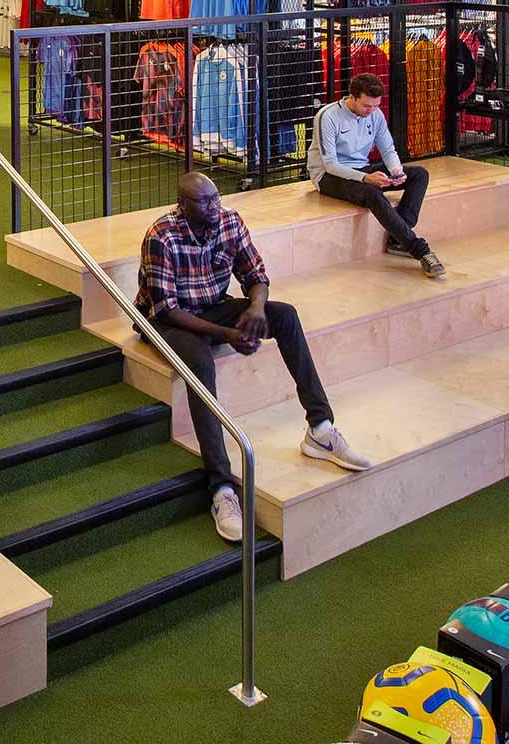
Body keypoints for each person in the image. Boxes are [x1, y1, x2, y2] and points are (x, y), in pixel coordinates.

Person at [136, 172, 371, 543]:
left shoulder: (229, 220)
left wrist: (257, 309)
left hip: (214, 305)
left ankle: (320, 429)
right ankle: (221, 488)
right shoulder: (161, 236)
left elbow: (255, 274)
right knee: (200, 362)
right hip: (167, 321)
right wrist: (227, 335)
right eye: (203, 201)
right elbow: (166, 309)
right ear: (182, 205)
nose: (214, 206)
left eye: (216, 198)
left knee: (286, 315)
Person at [309, 74, 445, 279]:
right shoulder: (328, 116)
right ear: (352, 97)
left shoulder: (376, 114)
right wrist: (366, 178)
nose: (371, 110)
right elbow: (330, 165)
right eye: (366, 106)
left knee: (419, 175)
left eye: (375, 105)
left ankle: (398, 238)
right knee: (372, 193)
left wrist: (396, 171)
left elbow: (388, 149)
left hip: (362, 168)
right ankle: (420, 250)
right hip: (328, 176)